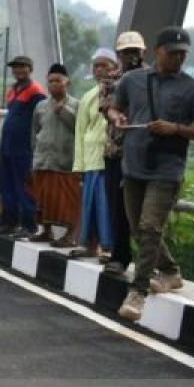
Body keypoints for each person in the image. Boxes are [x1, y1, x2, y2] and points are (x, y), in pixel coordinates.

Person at [113, 27, 194, 321]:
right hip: (134, 164)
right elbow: (116, 108)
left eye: (183, 54)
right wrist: (116, 117)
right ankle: (170, 271)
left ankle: (138, 292)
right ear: (157, 51)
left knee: (150, 226)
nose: (178, 58)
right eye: (173, 53)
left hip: (167, 169)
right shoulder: (132, 80)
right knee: (138, 228)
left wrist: (176, 129)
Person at [101, 32, 147, 275]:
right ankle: (120, 255)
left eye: (135, 51)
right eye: (126, 52)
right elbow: (106, 108)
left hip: (143, 151)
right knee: (117, 205)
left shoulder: (153, 77)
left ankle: (150, 261)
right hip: (116, 150)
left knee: (144, 210)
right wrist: (117, 115)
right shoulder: (111, 80)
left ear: (143, 52)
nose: (131, 56)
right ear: (119, 54)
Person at [72, 49, 119, 256]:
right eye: (96, 66)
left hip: (109, 156)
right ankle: (89, 245)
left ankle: (107, 247)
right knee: (90, 205)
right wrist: (78, 165)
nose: (99, 70)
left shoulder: (120, 92)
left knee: (106, 205)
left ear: (115, 68)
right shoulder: (88, 96)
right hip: (90, 158)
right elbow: (80, 131)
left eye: (104, 65)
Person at [28, 63, 79, 243]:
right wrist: (35, 153)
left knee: (68, 200)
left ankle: (70, 234)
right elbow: (35, 131)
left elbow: (79, 128)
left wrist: (62, 111)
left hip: (65, 161)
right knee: (42, 198)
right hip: (43, 159)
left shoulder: (76, 105)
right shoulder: (41, 106)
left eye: (58, 81)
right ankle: (45, 230)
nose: (54, 84)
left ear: (68, 83)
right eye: (50, 81)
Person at [0, 55, 47, 237]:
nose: (18, 70)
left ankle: (28, 224)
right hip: (8, 145)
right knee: (7, 184)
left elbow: (41, 119)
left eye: (22, 67)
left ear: (30, 69)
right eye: (15, 67)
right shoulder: (12, 90)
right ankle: (9, 221)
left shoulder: (36, 91)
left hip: (24, 146)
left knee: (23, 186)